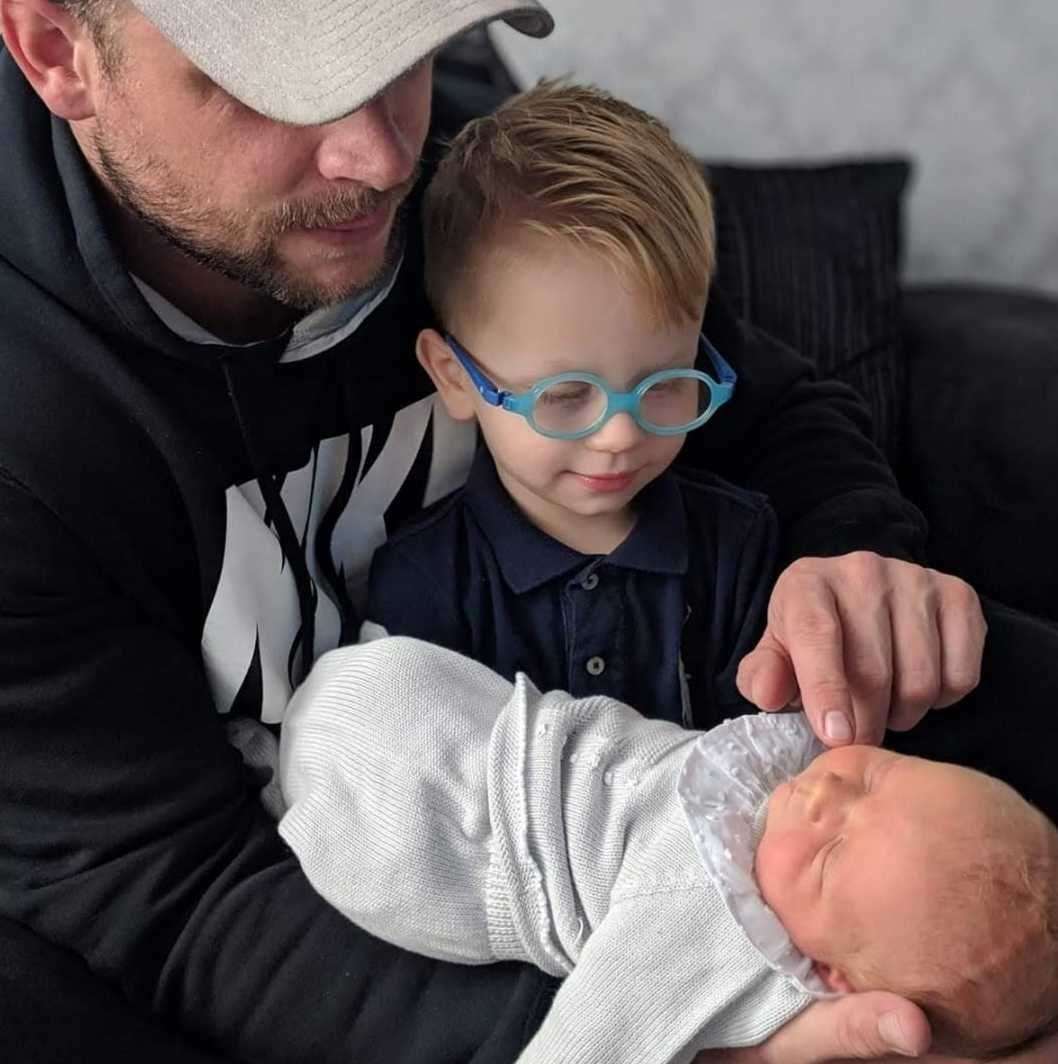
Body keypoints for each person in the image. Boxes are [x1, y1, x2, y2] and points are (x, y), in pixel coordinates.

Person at [0, 0, 1051, 1062]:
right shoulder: (33, 432)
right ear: (58, 51)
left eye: (395, 57)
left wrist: (851, 549)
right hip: (334, 907)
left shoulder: (466, 173)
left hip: (694, 760)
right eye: (278, 87)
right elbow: (172, 897)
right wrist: (691, 1038)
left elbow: (766, 402)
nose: (377, 155)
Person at [276, 635, 1058, 1064]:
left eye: (829, 858)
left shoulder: (706, 931)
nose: (825, 796)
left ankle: (282, 777)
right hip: (460, 710)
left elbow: (588, 1043)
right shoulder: (802, 779)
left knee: (390, 859)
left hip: (432, 832)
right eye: (881, 778)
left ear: (830, 975)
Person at [367, 79, 778, 729]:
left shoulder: (741, 547)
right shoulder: (422, 581)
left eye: (667, 383)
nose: (620, 435)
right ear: (455, 378)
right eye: (563, 396)